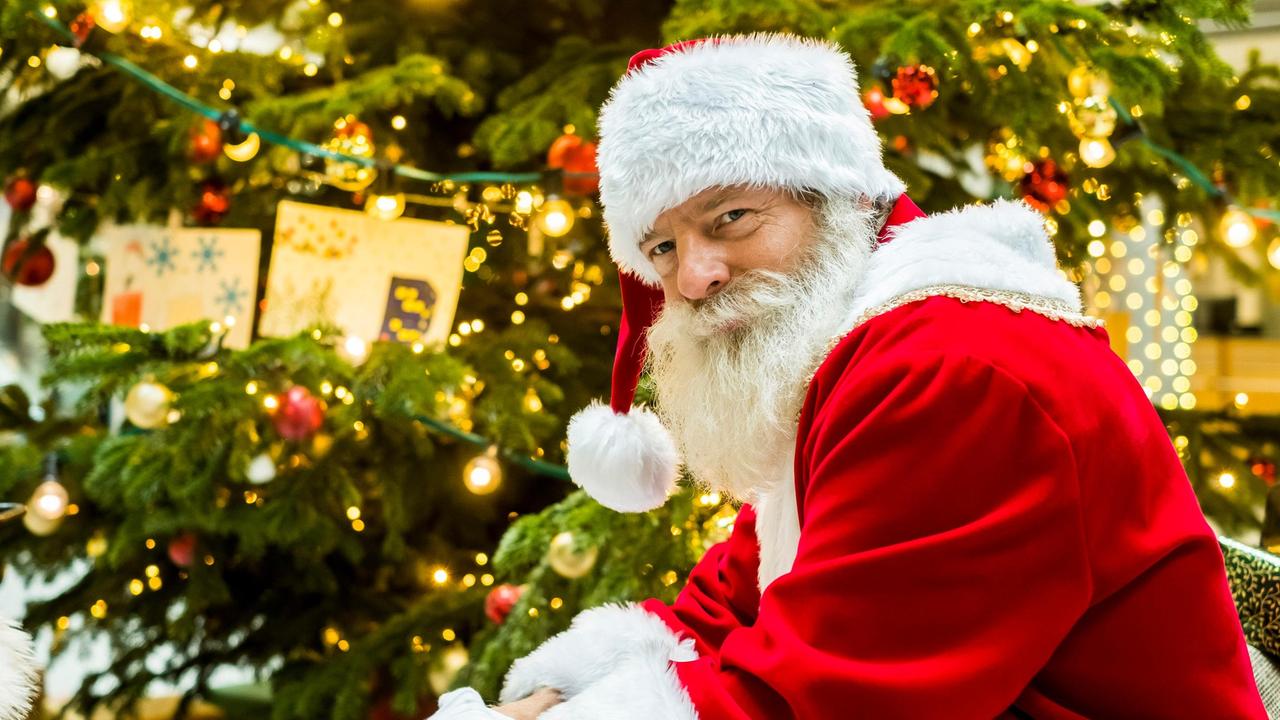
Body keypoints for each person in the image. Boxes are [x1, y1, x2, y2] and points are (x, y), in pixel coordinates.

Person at [430, 33, 1266, 719]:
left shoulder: (948, 371)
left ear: (839, 199)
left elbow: (824, 703)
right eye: (664, 248)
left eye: (730, 217)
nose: (694, 277)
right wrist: (552, 697)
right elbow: (736, 596)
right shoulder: (844, 348)